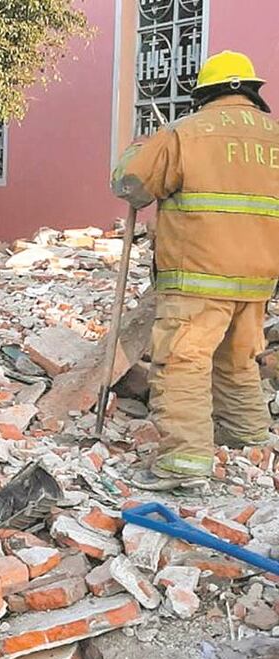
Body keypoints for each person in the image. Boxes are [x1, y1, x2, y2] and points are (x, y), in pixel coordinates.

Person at [112, 51, 279, 490]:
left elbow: (131, 187)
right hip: (259, 277)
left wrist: (136, 153)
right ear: (252, 91)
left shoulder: (184, 133)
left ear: (204, 93)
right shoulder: (276, 137)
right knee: (238, 359)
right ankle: (247, 436)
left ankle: (184, 460)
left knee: (183, 361)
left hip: (198, 275)